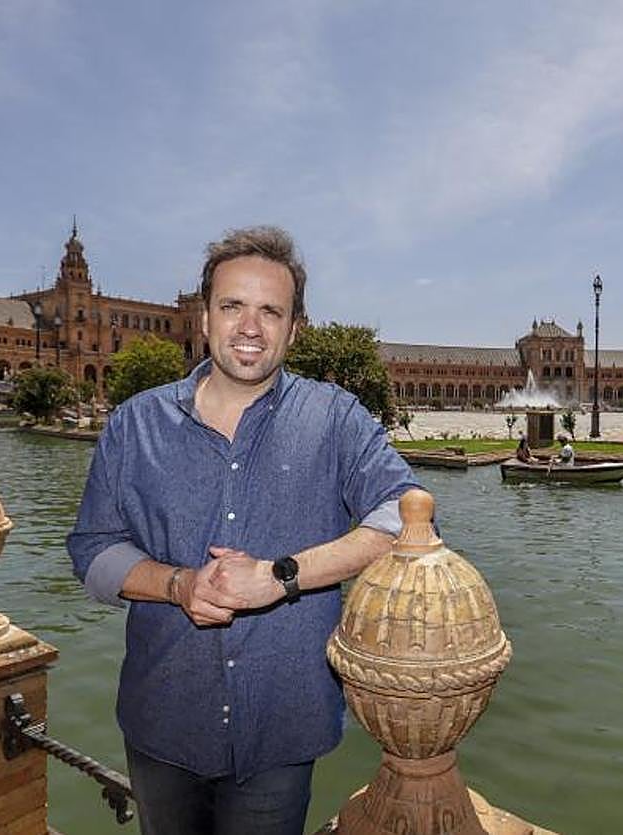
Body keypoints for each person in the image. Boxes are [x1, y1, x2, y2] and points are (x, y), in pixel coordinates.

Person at [67, 226, 420, 834]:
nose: (250, 327)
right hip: (163, 721)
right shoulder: (134, 424)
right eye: (232, 306)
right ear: (203, 317)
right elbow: (92, 549)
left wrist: (282, 576)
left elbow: (408, 514)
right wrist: (177, 585)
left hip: (281, 731)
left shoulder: (335, 417)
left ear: (294, 328)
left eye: (270, 311)